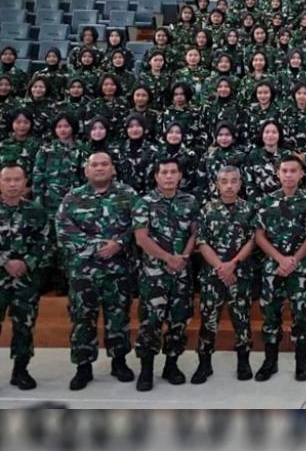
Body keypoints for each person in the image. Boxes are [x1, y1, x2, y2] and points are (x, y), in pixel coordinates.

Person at [56, 151, 137, 391]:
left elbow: (140, 226)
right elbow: (63, 231)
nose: (100, 168)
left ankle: (119, 362)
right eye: (95, 165)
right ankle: (83, 367)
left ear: (113, 169)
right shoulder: (73, 198)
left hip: (118, 270)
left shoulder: (128, 195)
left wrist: (119, 244)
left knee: (118, 318)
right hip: (84, 272)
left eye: (104, 164)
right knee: (82, 319)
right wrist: (98, 246)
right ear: (86, 170)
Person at [132, 158, 199, 391]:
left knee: (179, 321)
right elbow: (141, 238)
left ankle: (172, 365)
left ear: (180, 175)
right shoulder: (144, 202)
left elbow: (194, 234)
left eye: (173, 172)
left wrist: (184, 257)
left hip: (181, 272)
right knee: (151, 322)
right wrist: (168, 258)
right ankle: (146, 369)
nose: (169, 176)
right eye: (164, 172)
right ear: (156, 177)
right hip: (154, 273)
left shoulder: (190, 201)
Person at [253, 155, 306, 382]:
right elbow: (259, 236)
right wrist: (280, 259)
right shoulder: (266, 202)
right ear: (278, 173)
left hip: (299, 269)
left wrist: (293, 260)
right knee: (270, 316)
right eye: (285, 170)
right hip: (273, 267)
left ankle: (302, 363)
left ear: (302, 174)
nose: (289, 175)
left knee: (301, 316)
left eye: (294, 170)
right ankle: (269, 362)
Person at [191, 166, 257, 384]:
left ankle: (243, 361)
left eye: (234, 181)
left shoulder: (249, 209)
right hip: (213, 276)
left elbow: (252, 241)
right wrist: (221, 267)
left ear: (240, 183)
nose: (229, 185)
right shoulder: (207, 210)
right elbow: (201, 242)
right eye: (224, 181)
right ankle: (204, 364)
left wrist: (233, 264)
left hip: (240, 275)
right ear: (217, 184)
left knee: (242, 319)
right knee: (208, 321)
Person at [0, 163, 49, 390]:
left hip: (26, 280)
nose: (12, 184)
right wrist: (5, 262)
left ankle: (20, 371)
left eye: (16, 180)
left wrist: (27, 262)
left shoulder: (36, 210)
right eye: (7, 180)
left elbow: (46, 243)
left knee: (24, 326)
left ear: (25, 182)